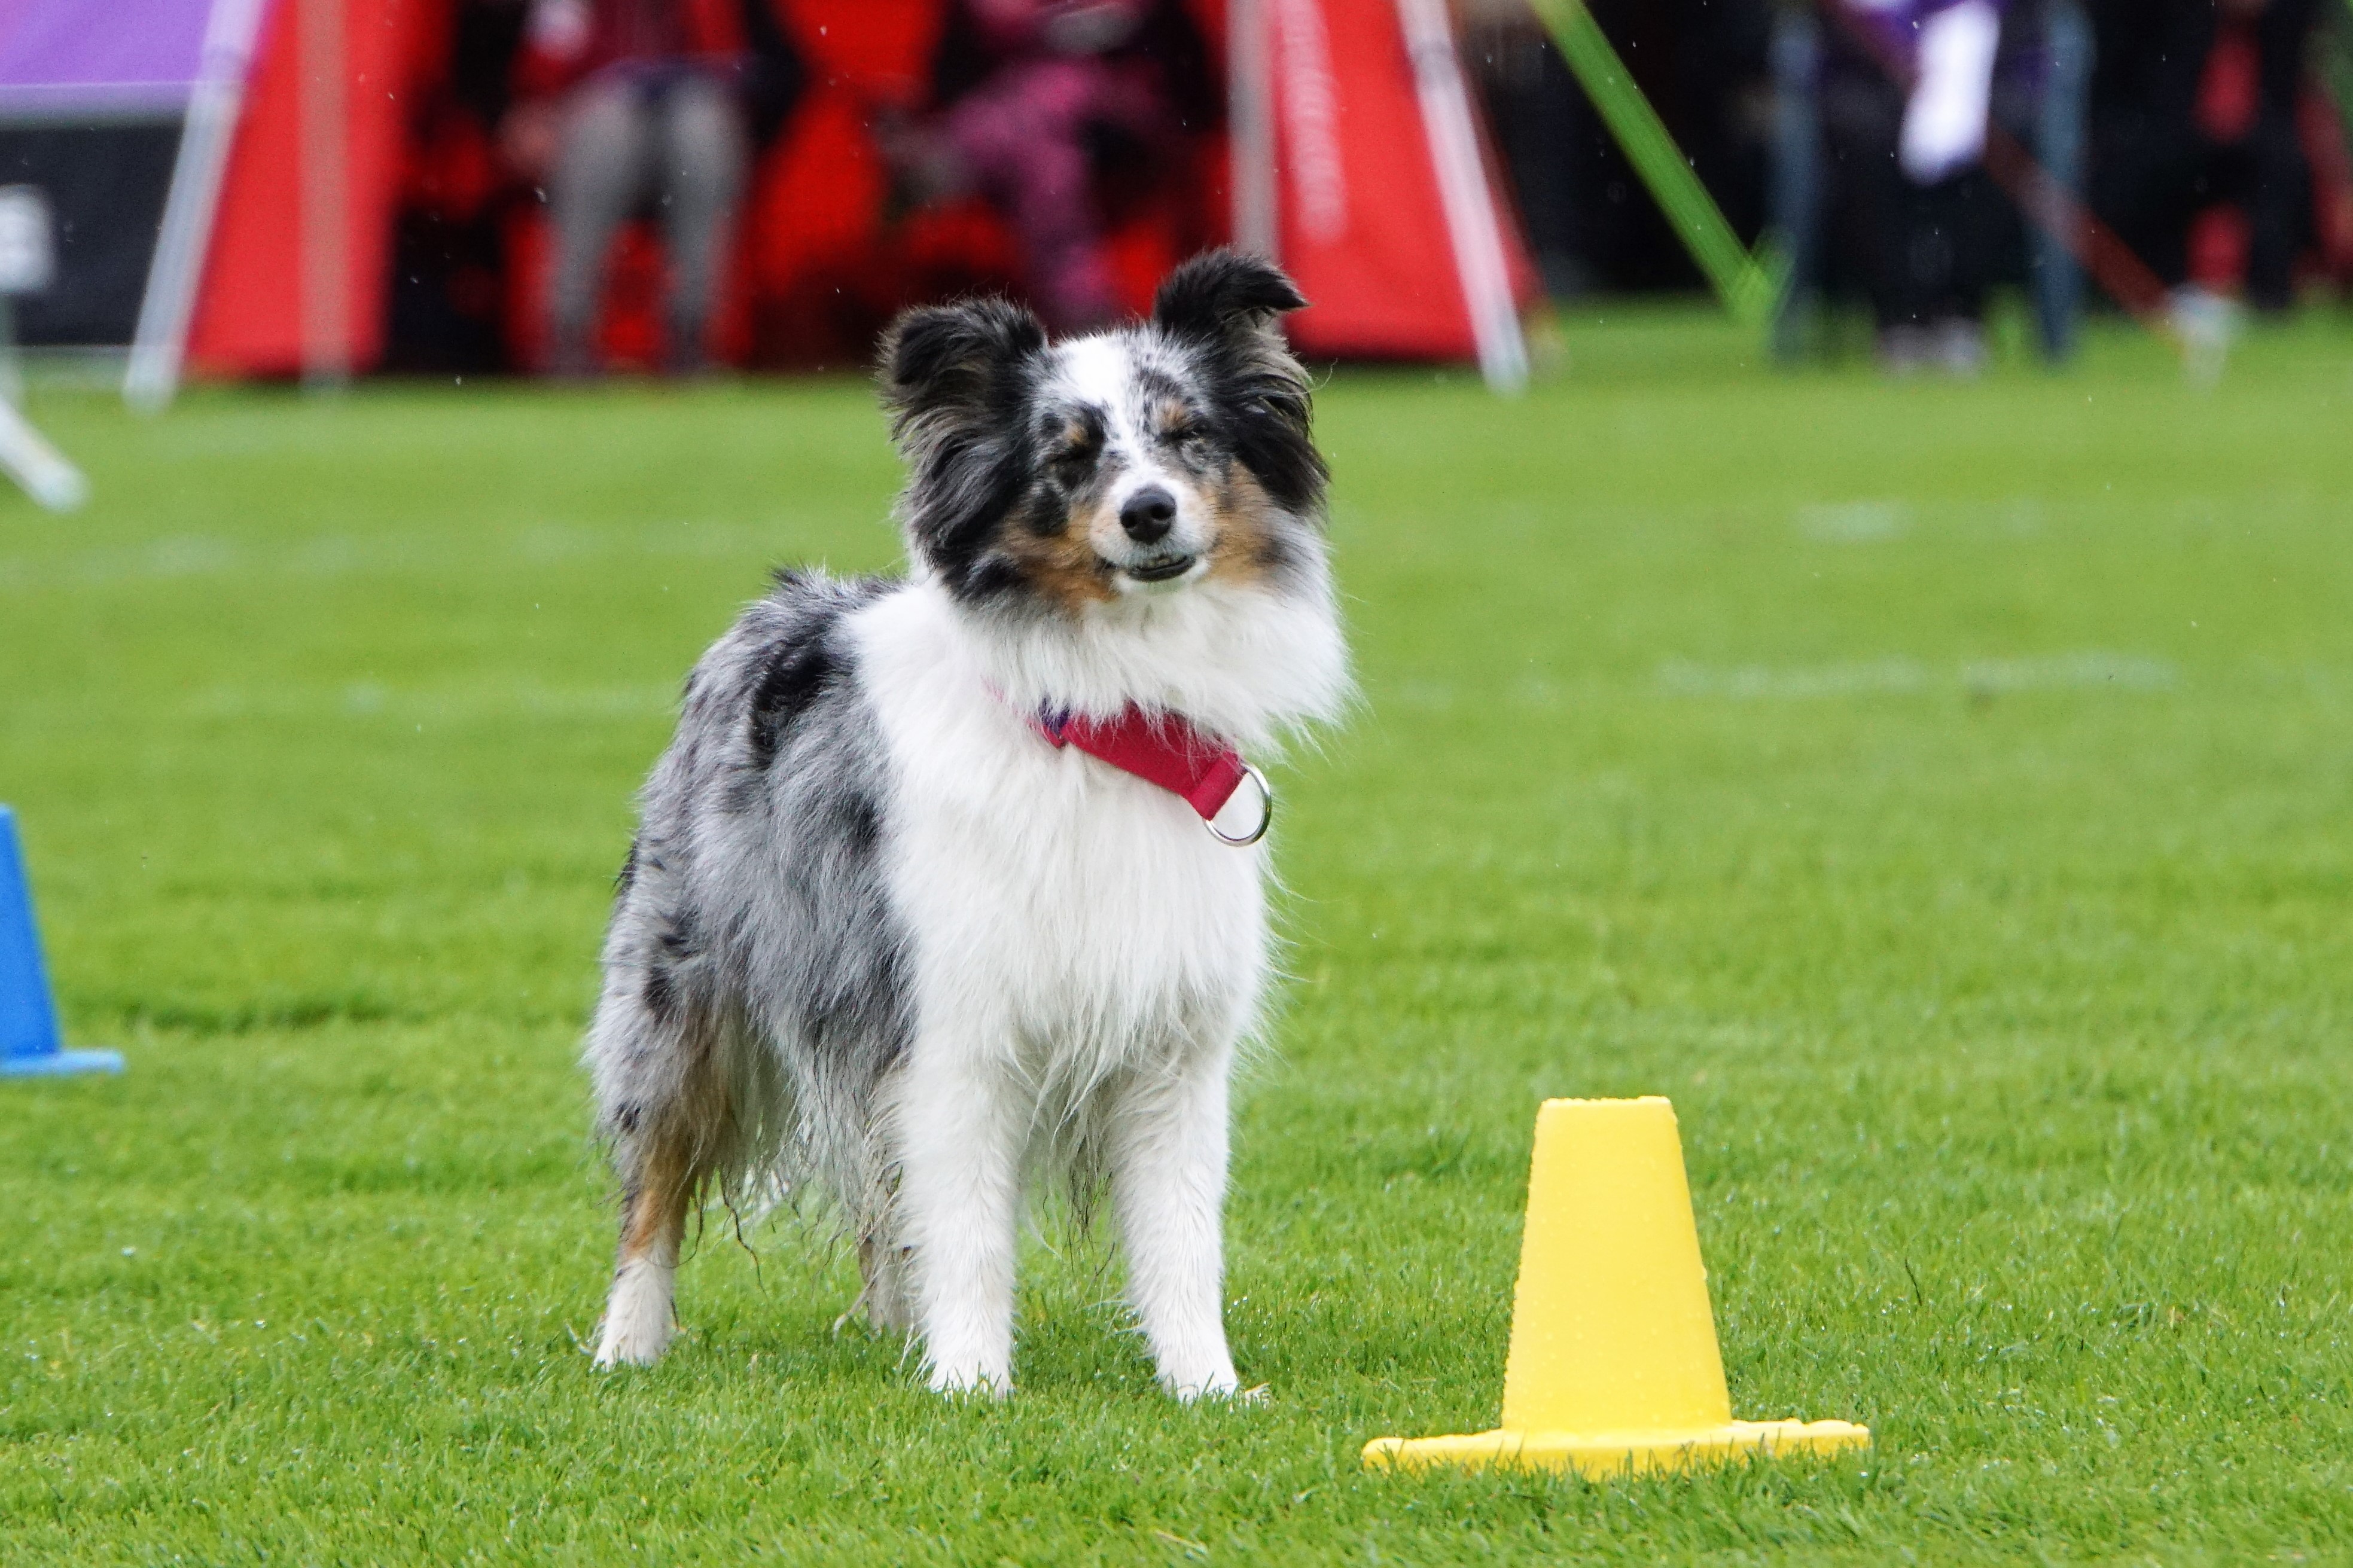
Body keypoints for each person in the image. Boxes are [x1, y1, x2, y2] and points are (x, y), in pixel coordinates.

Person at [883, 0, 1217, 333]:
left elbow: (1156, 45)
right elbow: (967, 53)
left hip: (1131, 116)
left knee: (1059, 86)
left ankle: (957, 154)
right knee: (1047, 167)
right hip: (1043, 136)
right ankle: (1087, 317)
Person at [515, 0, 788, 374]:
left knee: (701, 127)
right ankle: (567, 335)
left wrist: (748, 119)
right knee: (607, 122)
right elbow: (531, 65)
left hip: (695, 135)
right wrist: (530, 112)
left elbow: (779, 72)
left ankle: (696, 338)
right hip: (597, 127)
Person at [2091, 0, 2324, 317]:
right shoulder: (2173, 19)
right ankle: (2148, 292)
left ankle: (2271, 299)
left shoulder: (2283, 23)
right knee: (2136, 173)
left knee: (2283, 168)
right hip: (2171, 134)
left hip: (2251, 136)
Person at [1819, 0, 2011, 373]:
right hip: (1866, 74)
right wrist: (1900, 41)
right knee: (1868, 146)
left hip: (1984, 65)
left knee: (1986, 147)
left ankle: (1963, 311)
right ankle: (1897, 314)